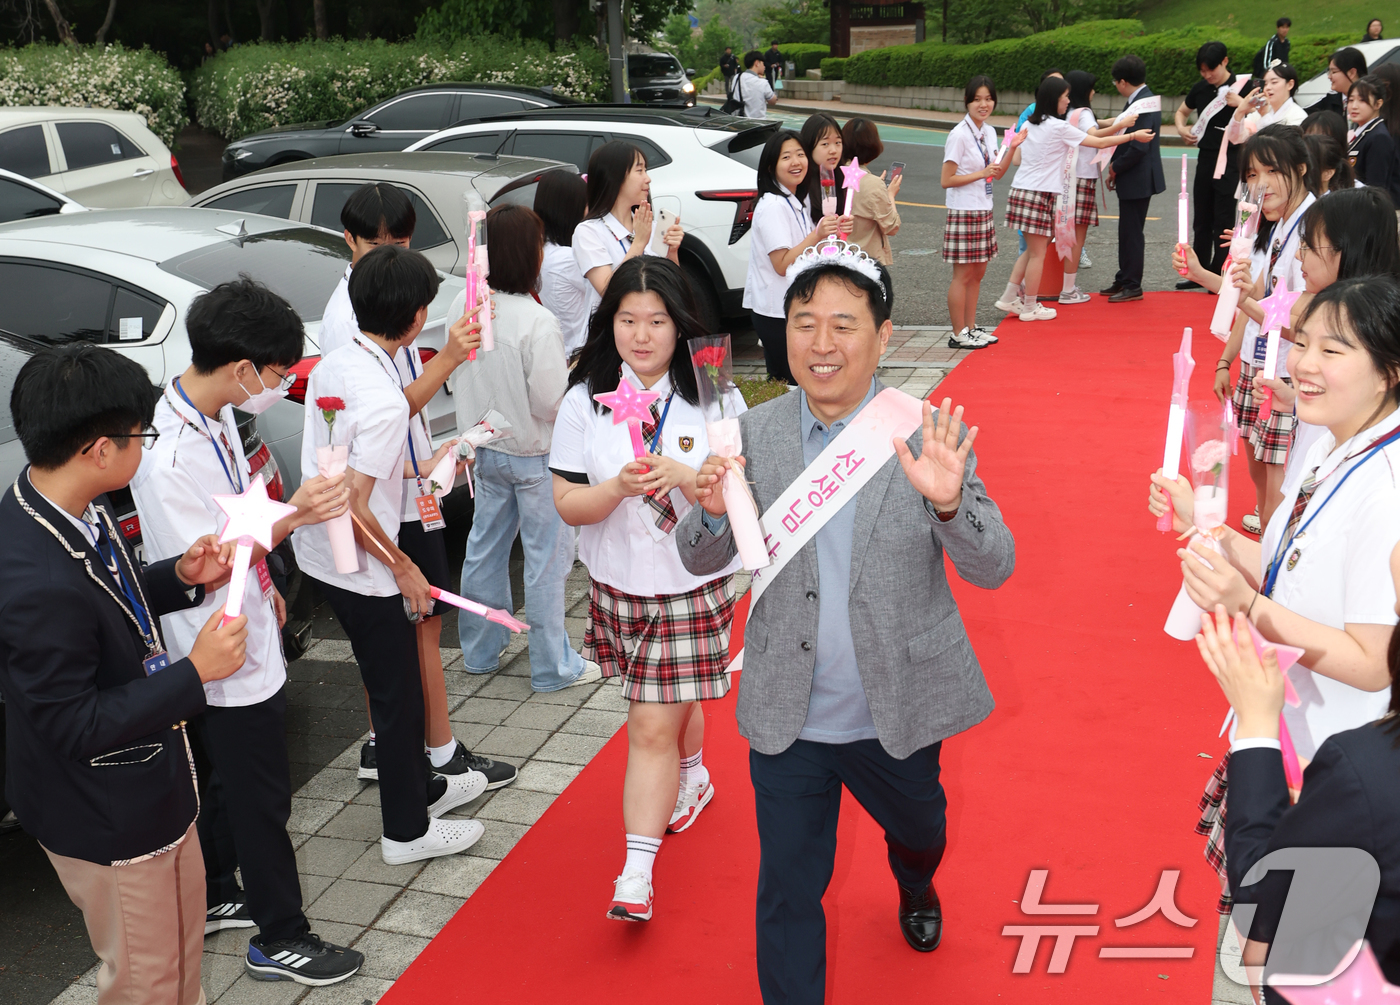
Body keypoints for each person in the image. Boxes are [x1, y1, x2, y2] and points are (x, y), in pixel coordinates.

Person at [677, 251, 1015, 1004]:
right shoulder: (748, 434)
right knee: (789, 890)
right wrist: (705, 507)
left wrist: (950, 506)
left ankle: (915, 876)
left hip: (893, 706)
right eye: (804, 324)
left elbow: (995, 564)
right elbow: (701, 556)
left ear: (884, 335)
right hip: (789, 713)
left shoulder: (925, 433)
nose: (821, 343)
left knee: (921, 825)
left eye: (842, 325)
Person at [128, 278, 364, 983]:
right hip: (215, 641)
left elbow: (240, 515)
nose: (280, 385)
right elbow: (209, 557)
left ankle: (222, 888)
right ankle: (280, 934)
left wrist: (269, 583)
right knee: (261, 791)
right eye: (277, 373)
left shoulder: (216, 412)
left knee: (227, 783)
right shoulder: (169, 453)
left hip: (243, 617)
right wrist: (297, 512)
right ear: (241, 370)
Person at [0, 343, 247, 1005]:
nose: (146, 444)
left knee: (178, 965)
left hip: (154, 785)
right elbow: (72, 723)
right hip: (109, 813)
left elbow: (112, 593)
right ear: (97, 448)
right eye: (140, 433)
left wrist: (181, 579)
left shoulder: (69, 500)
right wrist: (195, 673)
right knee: (145, 985)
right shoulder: (33, 579)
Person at [1151, 276, 1400, 917]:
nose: (1304, 365)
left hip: (1339, 757)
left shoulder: (1390, 488)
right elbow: (1292, 555)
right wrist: (1209, 527)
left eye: (1334, 350)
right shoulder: (1336, 441)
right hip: (1290, 726)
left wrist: (1248, 606)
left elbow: (1374, 661)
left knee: (1305, 938)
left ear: (1389, 372)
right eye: (1301, 341)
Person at [549, 256, 745, 922]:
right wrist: (614, 489)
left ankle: (635, 873)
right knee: (671, 698)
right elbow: (567, 501)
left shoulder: (712, 380)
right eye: (628, 320)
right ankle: (696, 772)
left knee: (648, 720)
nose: (641, 334)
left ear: (680, 321)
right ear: (611, 324)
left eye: (656, 320)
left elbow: (742, 490)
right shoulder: (585, 394)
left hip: (693, 580)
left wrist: (686, 475)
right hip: (619, 583)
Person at [293, 245, 491, 865]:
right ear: (415, 318)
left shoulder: (343, 360)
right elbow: (354, 501)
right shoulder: (379, 395)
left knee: (397, 683)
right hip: (363, 566)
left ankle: (422, 787)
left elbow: (375, 426)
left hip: (325, 554)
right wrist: (404, 566)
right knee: (398, 693)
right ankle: (406, 831)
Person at [319, 182, 512, 791]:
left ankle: (398, 747)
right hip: (383, 499)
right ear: (348, 241)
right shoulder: (351, 316)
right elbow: (382, 413)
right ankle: (436, 755)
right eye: (376, 242)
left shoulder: (387, 293)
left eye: (400, 242)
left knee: (412, 628)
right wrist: (446, 362)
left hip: (407, 482)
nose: (389, 253)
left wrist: (435, 457)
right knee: (417, 621)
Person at [453, 205, 601, 693]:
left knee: (484, 551)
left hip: (482, 449)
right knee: (546, 561)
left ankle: (479, 651)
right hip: (535, 455)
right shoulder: (537, 320)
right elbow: (550, 402)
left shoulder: (464, 304)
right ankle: (552, 667)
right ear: (529, 255)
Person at [1173, 126, 1316, 532]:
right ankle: (1267, 532)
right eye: (1251, 175)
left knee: (1280, 484)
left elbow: (1296, 321)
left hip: (1289, 372)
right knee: (1257, 465)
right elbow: (1254, 304)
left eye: (1271, 170)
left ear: (1301, 168)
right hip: (1260, 364)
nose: (1260, 183)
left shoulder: (1311, 230)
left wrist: (1244, 293)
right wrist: (1203, 276)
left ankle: (1271, 559)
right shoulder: (1275, 227)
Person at [997, 75, 1153, 322]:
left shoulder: (1028, 124)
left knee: (1030, 252)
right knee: (1037, 254)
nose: (1068, 101)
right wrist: (1132, 136)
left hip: (1021, 191)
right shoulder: (1057, 127)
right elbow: (1099, 141)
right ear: (1054, 100)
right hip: (1039, 194)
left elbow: (1017, 158)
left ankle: (1008, 297)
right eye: (1064, 97)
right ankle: (1029, 307)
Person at [744, 129, 847, 382]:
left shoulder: (793, 201)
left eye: (800, 155)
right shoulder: (773, 206)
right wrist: (817, 235)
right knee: (787, 381)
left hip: (790, 306)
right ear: (771, 166)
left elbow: (806, 253)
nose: (796, 162)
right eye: (786, 157)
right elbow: (781, 264)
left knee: (793, 380)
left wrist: (833, 233)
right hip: (776, 311)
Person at [1177, 41, 1259, 285]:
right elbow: (1182, 111)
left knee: (1222, 219)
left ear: (1225, 61)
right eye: (1202, 71)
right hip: (1205, 158)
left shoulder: (1244, 87)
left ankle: (1219, 275)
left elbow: (1261, 119)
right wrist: (1182, 128)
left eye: (1211, 69)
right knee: (1201, 217)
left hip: (1232, 160)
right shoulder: (1201, 88)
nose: (1207, 75)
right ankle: (1198, 272)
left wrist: (1241, 106)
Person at [942, 74, 1011, 349]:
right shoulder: (959, 135)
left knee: (978, 273)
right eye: (977, 99)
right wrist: (981, 172)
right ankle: (958, 333)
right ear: (968, 102)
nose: (984, 104)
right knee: (963, 275)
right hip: (963, 210)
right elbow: (946, 179)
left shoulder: (989, 131)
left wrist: (1012, 147)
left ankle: (971, 328)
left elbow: (996, 174)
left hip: (983, 208)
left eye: (988, 99)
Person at [573, 140, 683, 308]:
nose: (648, 178)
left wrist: (672, 253)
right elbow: (608, 290)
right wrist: (639, 242)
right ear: (615, 176)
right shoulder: (588, 231)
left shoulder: (648, 226)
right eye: (639, 170)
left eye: (645, 170)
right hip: (613, 331)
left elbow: (675, 287)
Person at [534, 170, 592, 356]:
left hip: (561, 350)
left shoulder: (540, 250)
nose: (589, 211)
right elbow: (613, 288)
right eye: (585, 204)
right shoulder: (567, 258)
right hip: (580, 352)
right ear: (570, 209)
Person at [840, 117, 902, 267]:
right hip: (866, 260)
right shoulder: (873, 185)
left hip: (838, 254)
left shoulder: (836, 174)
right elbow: (892, 226)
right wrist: (890, 195)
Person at [1226, 62, 1307, 144]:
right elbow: (1235, 138)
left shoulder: (1299, 116)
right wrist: (1240, 110)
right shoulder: (1259, 112)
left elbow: (1282, 146)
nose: (1268, 88)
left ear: (1290, 84)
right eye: (1265, 84)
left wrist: (1265, 116)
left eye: (1274, 82)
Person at [1347, 75, 1396, 196]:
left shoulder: (1378, 137)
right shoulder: (1362, 131)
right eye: (1351, 100)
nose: (1354, 106)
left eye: (1362, 100)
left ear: (1378, 104)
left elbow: (1375, 187)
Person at [798, 112, 843, 227]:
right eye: (825, 144)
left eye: (838, 142)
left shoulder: (843, 178)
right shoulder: (799, 186)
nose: (833, 150)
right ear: (809, 146)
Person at [1307, 47, 1367, 117]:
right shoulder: (1329, 101)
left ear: (1351, 73)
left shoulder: (1372, 98)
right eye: (1329, 72)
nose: (1329, 76)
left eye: (1334, 72)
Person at [731, 50, 777, 120]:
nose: (764, 67)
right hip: (758, 124)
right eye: (763, 64)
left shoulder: (737, 77)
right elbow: (773, 101)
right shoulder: (762, 82)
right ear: (757, 63)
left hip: (738, 123)